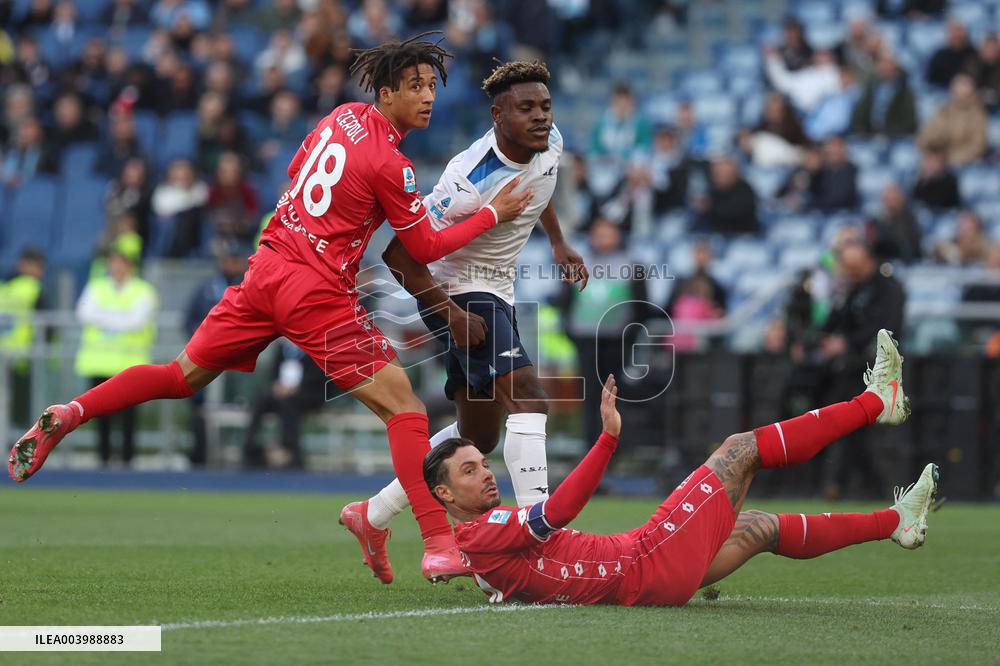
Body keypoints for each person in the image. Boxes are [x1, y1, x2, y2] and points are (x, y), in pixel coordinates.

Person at [8, 34, 532, 583]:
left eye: (431, 87)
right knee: (405, 411)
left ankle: (72, 412)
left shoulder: (341, 116)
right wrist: (492, 214)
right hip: (316, 291)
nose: (428, 98)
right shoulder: (392, 163)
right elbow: (422, 247)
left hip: (265, 269)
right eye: (415, 87)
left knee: (179, 375)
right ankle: (437, 543)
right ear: (385, 92)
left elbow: (297, 169)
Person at [427, 336, 938, 607]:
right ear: (446, 494)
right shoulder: (481, 533)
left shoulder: (478, 542)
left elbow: (494, 565)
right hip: (646, 559)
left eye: (482, 463)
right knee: (740, 449)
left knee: (761, 527)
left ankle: (897, 522)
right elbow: (558, 510)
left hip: (652, 577)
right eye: (470, 472)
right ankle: (875, 402)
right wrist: (608, 438)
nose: (487, 474)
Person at [339, 60, 587, 584]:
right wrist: (449, 312)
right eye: (526, 109)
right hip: (458, 288)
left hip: (495, 288)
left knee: (480, 433)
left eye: (545, 106)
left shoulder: (550, 141)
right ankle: (539, 541)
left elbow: (539, 187)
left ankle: (375, 513)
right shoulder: (468, 179)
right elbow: (399, 257)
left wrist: (559, 241)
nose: (541, 117)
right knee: (528, 397)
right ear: (498, 116)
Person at [818, 240, 904, 499]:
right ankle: (863, 484)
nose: (849, 272)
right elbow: (833, 321)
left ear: (867, 260)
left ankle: (857, 483)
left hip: (877, 370)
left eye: (853, 266)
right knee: (849, 427)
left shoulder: (888, 289)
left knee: (857, 428)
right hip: (850, 369)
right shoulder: (851, 290)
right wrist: (819, 339)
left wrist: (845, 343)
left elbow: (886, 327)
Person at [74, 249, 157, 468]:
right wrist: (120, 318)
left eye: (121, 262)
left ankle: (128, 461)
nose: (116, 267)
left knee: (129, 419)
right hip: (98, 363)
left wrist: (103, 317)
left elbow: (136, 322)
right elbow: (83, 313)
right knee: (99, 415)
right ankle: (103, 460)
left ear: (130, 266)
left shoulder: (143, 290)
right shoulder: (97, 286)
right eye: (113, 262)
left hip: (130, 366)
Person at [0, 248, 46, 426]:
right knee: (23, 408)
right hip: (25, 355)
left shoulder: (6, 287)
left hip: (5, 352)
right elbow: (45, 322)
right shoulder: (33, 288)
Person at [917, 73, 988, 167]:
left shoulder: (978, 114)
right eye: (957, 93)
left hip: (962, 163)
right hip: (936, 158)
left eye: (965, 95)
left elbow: (977, 146)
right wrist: (929, 153)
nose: (960, 97)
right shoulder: (943, 109)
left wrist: (949, 158)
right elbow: (926, 135)